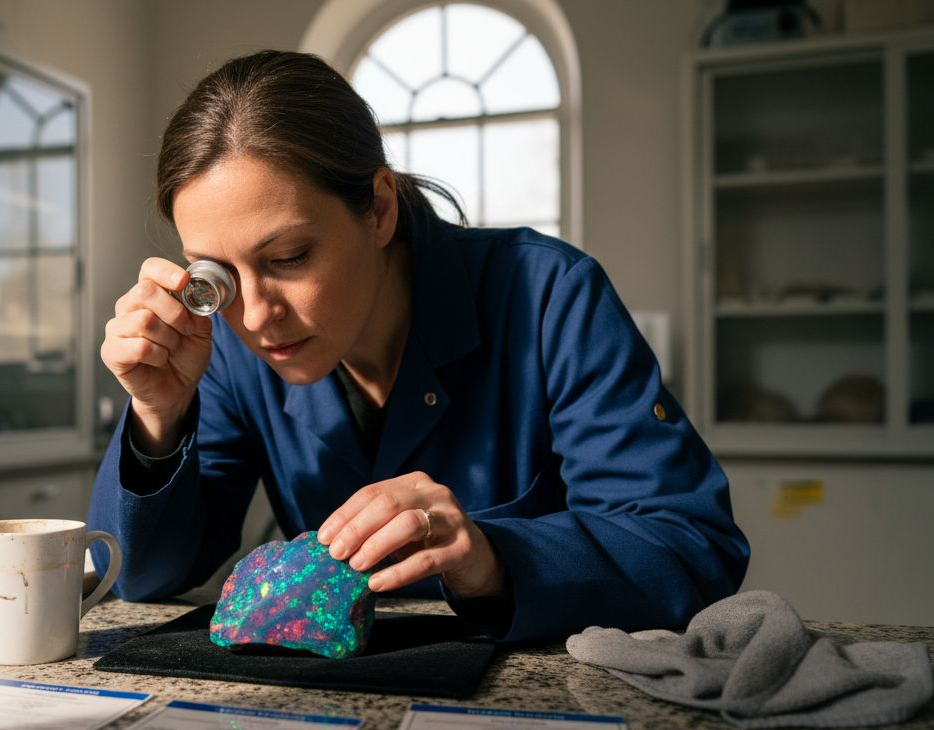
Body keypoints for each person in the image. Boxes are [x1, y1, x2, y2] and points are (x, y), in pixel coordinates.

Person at [88, 50, 749, 643]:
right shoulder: (230, 345)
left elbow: (691, 548)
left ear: (378, 208)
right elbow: (142, 578)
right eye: (217, 277)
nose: (257, 314)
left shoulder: (550, 294)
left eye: (288, 256)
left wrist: (489, 555)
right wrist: (158, 416)